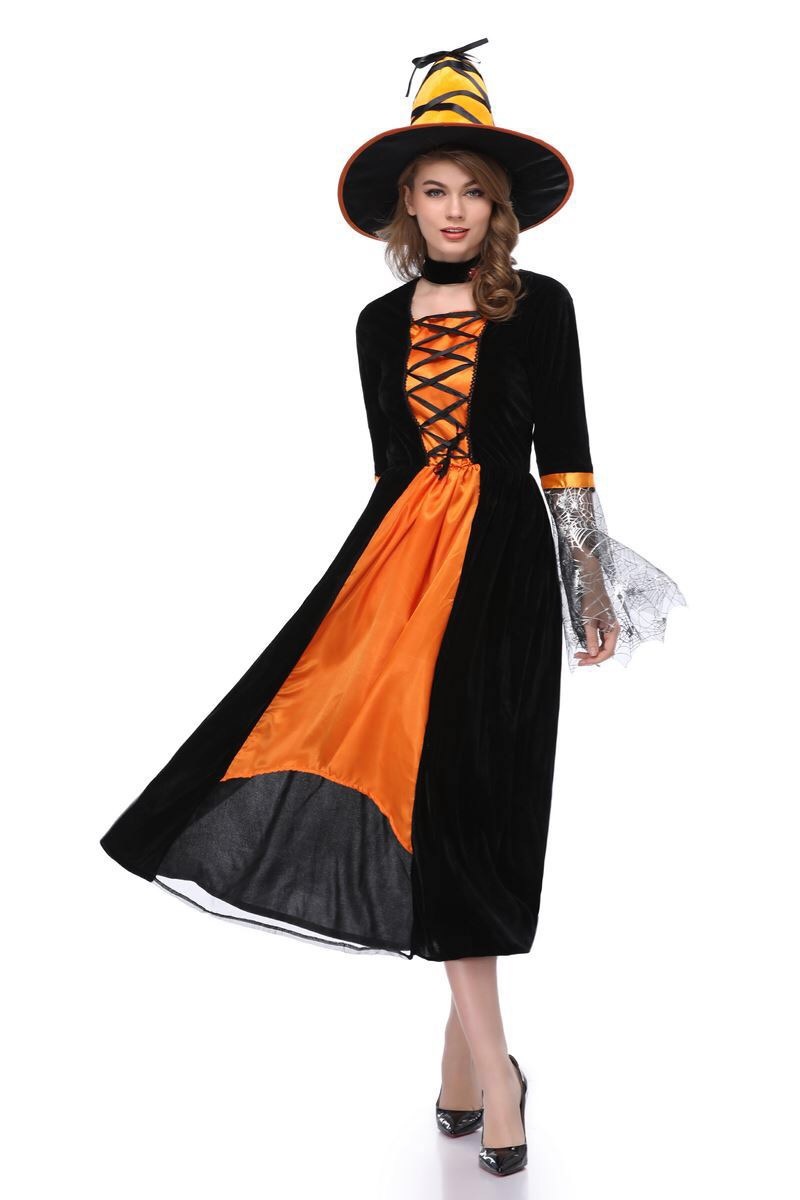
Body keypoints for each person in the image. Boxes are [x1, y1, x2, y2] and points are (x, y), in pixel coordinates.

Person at [99, 39, 686, 1178]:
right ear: (405, 206)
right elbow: (390, 470)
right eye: (434, 189)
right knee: (411, 789)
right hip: (397, 573)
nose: (454, 208)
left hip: (504, 576)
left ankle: (472, 1065)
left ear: (498, 207)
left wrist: (585, 580)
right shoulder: (377, 326)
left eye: (473, 190)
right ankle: (490, 1074)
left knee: (480, 807)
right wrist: (360, 604)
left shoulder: (542, 306)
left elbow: (564, 456)